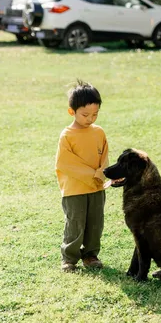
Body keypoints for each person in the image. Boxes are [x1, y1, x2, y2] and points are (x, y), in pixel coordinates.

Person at [55, 80, 109, 272]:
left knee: (95, 223)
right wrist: (92, 174)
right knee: (75, 223)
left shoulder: (99, 132)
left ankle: (91, 255)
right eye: (85, 115)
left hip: (96, 187)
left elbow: (104, 157)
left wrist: (102, 172)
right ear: (72, 112)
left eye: (95, 114)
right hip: (74, 189)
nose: (90, 119)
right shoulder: (67, 135)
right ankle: (69, 258)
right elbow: (65, 163)